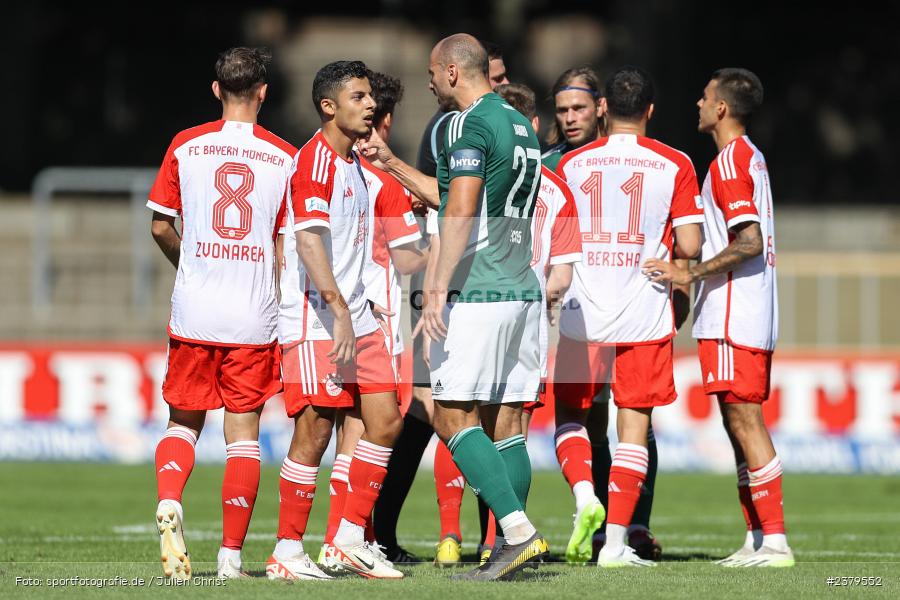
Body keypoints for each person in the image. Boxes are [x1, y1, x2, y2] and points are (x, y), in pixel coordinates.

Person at [148, 47, 295, 580]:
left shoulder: (186, 146)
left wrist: (188, 259)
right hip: (252, 318)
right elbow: (287, 244)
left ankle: (170, 500)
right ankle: (231, 557)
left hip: (194, 310)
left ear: (216, 90)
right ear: (263, 93)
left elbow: (162, 225)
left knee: (183, 422)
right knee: (244, 435)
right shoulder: (285, 157)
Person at [362, 41, 510, 567]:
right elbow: (444, 204)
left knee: (442, 410)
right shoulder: (471, 126)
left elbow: (450, 208)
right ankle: (382, 534)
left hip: (459, 284)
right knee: (434, 410)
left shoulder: (471, 124)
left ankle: (494, 534)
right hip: (457, 284)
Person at [642, 68, 793, 568]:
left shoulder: (731, 163)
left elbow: (748, 240)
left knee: (745, 420)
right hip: (740, 312)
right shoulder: (746, 159)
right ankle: (756, 540)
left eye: (705, 98)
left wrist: (689, 273)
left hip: (735, 312)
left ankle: (774, 541)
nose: (699, 105)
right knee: (736, 421)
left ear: (723, 109)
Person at [555, 66, 703, 567]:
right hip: (643, 310)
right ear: (651, 111)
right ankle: (616, 543)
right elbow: (690, 245)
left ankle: (583, 499)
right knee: (633, 427)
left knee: (572, 417)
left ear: (602, 109)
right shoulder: (675, 162)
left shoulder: (571, 164)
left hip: (580, 310)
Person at [267, 60, 404, 581]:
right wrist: (339, 310)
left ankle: (348, 539)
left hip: (356, 315)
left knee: (385, 421)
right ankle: (286, 551)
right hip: (317, 318)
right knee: (316, 431)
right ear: (329, 107)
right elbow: (307, 241)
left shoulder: (354, 166)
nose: (371, 105)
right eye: (359, 97)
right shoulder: (316, 162)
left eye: (371, 96)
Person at [420, 33, 549, 581]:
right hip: (523, 288)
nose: (429, 80)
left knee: (451, 414)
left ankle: (518, 533)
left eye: (432, 71)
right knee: (509, 422)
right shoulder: (520, 122)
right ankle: (507, 546)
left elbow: (463, 208)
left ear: (452, 72)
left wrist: (436, 287)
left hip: (482, 287)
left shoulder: (472, 124)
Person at [316, 70, 429, 569]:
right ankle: (349, 537)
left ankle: (341, 540)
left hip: (334, 313)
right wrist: (444, 241)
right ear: (381, 122)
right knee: (372, 428)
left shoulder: (335, 167)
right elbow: (407, 259)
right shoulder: (378, 179)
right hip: (374, 314)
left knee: (347, 433)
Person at [542, 67, 606, 172]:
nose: (569, 119)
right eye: (563, 110)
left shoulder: (627, 158)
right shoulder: (546, 170)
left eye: (579, 108)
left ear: (599, 107)